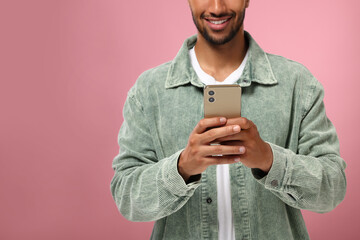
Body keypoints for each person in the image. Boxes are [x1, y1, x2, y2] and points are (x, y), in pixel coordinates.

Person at [110, 0, 347, 239]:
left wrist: (269, 160)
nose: (216, 8)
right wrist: (182, 168)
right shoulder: (148, 91)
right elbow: (126, 197)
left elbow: (332, 188)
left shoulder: (298, 84)